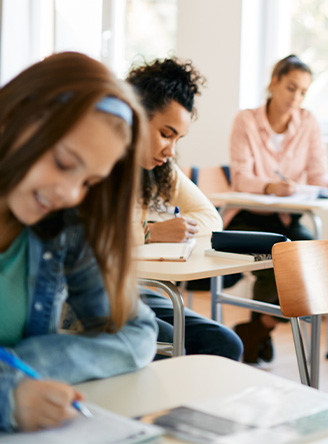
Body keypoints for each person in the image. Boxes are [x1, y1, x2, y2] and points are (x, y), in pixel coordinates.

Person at [0, 52, 157, 432]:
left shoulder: (65, 226)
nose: (70, 194)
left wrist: (26, 363)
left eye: (89, 183)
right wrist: (7, 394)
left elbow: (136, 333)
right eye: (63, 162)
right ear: (15, 119)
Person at [226, 54, 328, 364]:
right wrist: (269, 186)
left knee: (312, 257)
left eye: (302, 92)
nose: (295, 98)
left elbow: (316, 174)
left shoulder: (307, 122)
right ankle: (258, 331)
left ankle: (258, 328)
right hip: (247, 215)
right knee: (278, 252)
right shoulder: (246, 120)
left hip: (287, 216)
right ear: (273, 83)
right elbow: (240, 177)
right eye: (290, 88)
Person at [126, 57, 243, 361]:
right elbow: (84, 238)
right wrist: (149, 232)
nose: (171, 150)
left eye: (177, 139)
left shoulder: (159, 167)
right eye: (166, 134)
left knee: (226, 345)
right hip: (85, 294)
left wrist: (163, 228)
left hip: (132, 288)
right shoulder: (98, 160)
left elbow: (210, 218)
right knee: (165, 343)